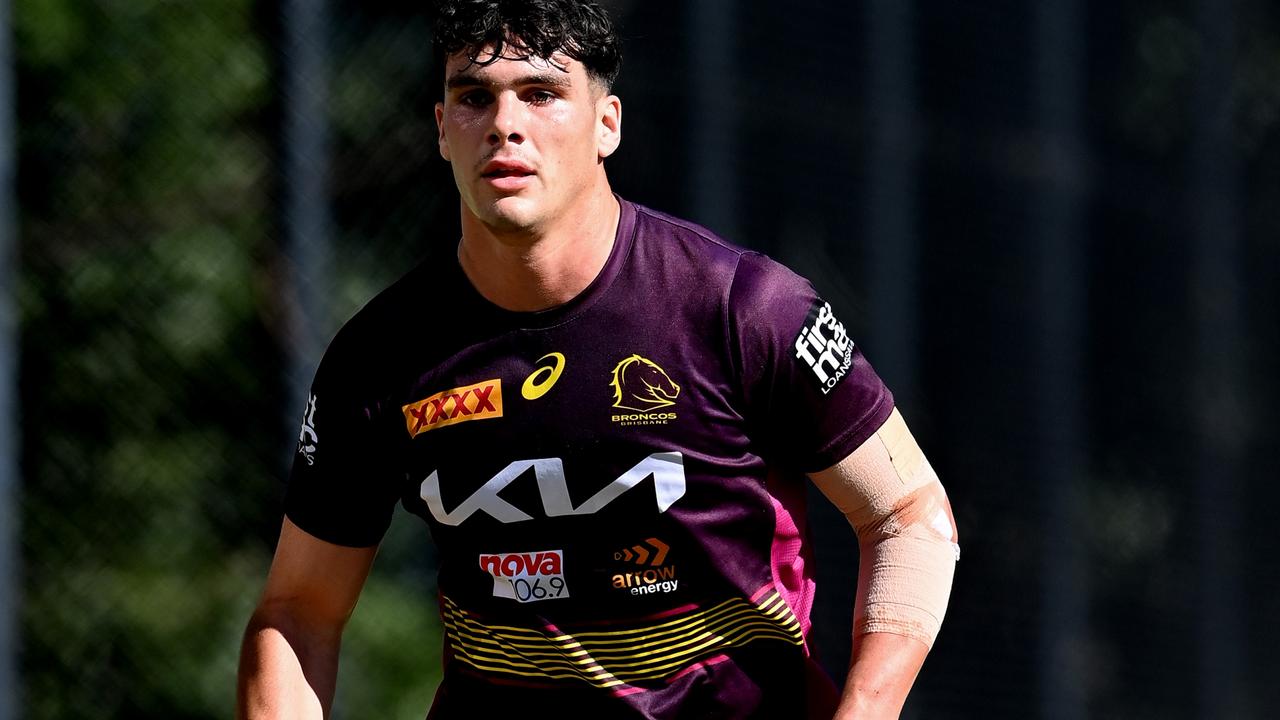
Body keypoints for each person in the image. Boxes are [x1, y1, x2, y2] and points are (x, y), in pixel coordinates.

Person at [237, 1, 959, 718]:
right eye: (473, 98)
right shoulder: (377, 358)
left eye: (541, 94)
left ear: (607, 124)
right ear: (441, 131)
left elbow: (908, 513)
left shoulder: (743, 307)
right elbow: (299, 613)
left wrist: (865, 710)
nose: (504, 124)